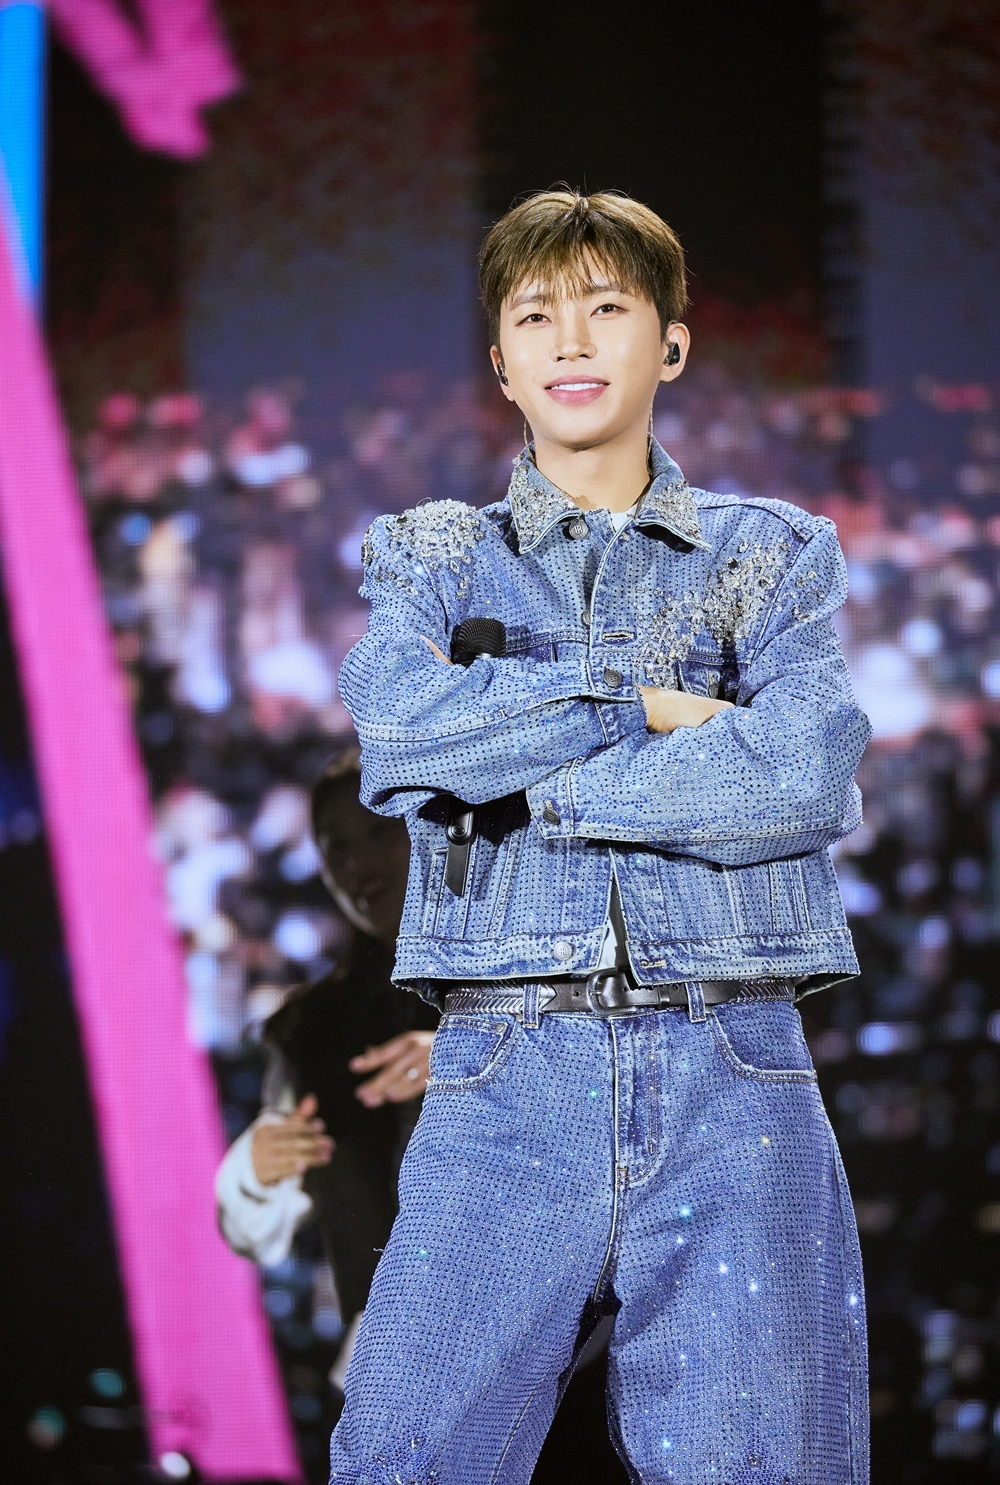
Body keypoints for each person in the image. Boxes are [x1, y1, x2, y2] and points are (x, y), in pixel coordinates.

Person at [332, 189, 872, 1484]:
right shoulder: (435, 556)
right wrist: (641, 706)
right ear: (500, 362)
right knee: (405, 1456)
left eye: (607, 308)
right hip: (502, 1063)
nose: (570, 340)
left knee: (766, 1463)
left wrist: (532, 784)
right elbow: (400, 735)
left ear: (671, 344)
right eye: (536, 316)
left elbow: (803, 773)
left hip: (734, 1062)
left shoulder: (770, 553)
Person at [215, 748, 437, 1370]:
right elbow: (255, 1223)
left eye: (378, 831)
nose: (357, 863)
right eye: (336, 847)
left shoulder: (536, 964)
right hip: (399, 1370)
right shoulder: (309, 1029)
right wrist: (256, 1169)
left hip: (567, 1351)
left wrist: (472, 1057)